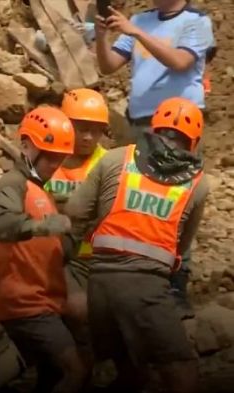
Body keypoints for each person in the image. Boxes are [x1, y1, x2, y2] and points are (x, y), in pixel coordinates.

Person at [65, 97, 207, 393]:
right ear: (192, 142)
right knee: (182, 368)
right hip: (147, 288)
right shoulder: (197, 182)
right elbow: (181, 248)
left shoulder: (116, 158)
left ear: (154, 130)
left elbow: (76, 212)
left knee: (129, 371)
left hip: (100, 285)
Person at [0, 106, 85, 393]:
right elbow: (4, 226)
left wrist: (78, 230)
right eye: (49, 155)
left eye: (59, 158)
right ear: (27, 146)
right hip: (27, 304)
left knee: (52, 376)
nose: (54, 164)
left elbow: (59, 251)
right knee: (75, 372)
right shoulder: (13, 184)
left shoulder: (40, 190)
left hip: (44, 300)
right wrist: (47, 224)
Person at [95, 0, 214, 145]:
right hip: (141, 119)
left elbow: (181, 61)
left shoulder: (197, 21)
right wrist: (101, 37)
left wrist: (137, 33)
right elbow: (108, 66)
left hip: (178, 121)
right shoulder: (139, 21)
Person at [45, 89, 109, 317]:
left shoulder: (108, 164)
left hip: (93, 258)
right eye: (81, 129)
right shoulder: (47, 159)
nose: (88, 137)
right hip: (51, 253)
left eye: (96, 131)